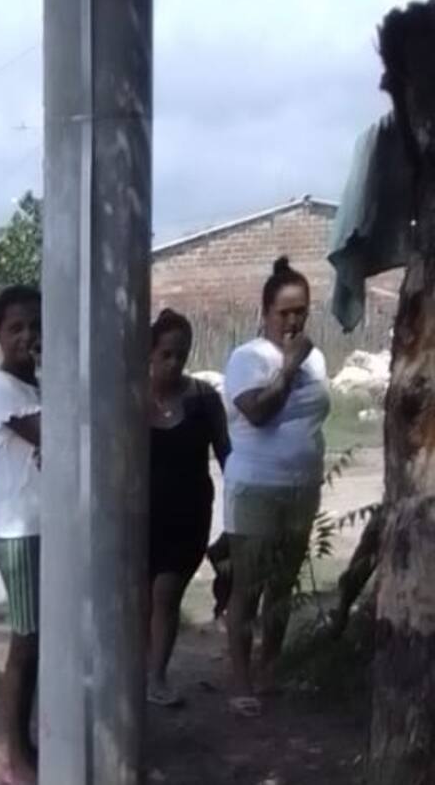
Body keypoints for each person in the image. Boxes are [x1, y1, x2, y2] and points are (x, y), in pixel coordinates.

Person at [223, 256, 331, 717]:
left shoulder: (317, 357)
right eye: (284, 311)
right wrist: (287, 367)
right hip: (256, 488)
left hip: (301, 487)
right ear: (265, 313)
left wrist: (300, 363)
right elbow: (259, 412)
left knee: (283, 586)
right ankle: (241, 679)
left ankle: (270, 671)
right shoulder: (247, 358)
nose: (293, 320)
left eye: (300, 311)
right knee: (247, 587)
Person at [147, 309, 230, 707]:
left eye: (181, 354)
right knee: (138, 599)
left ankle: (156, 678)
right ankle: (134, 672)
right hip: (141, 517)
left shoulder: (203, 399)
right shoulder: (130, 399)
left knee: (166, 593)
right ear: (149, 353)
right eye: (166, 354)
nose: (174, 363)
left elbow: (228, 457)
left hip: (189, 514)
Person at [0, 284, 43, 784]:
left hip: (45, 530)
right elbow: (60, 433)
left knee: (42, 643)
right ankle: (16, 759)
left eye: (37, 326)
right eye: (16, 328)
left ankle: (31, 744)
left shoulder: (37, 387)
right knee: (25, 644)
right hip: (20, 534)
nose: (28, 336)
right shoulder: (1, 388)